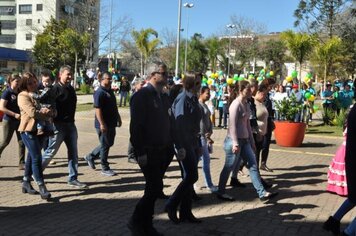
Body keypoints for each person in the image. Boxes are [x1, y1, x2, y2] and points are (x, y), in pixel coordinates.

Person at [128, 62, 174, 236]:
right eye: (164, 73)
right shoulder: (142, 96)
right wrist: (140, 152)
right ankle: (136, 221)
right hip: (148, 149)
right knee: (154, 188)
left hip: (162, 149)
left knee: (153, 188)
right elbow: (136, 127)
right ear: (154, 75)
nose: (167, 75)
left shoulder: (162, 96)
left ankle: (145, 225)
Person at [216, 80, 278, 202]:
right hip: (234, 141)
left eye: (250, 89)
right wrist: (235, 142)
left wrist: (251, 141)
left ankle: (262, 193)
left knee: (253, 165)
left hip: (245, 141)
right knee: (228, 167)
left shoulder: (246, 103)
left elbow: (248, 125)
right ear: (240, 91)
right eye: (248, 89)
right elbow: (232, 126)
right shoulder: (236, 104)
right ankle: (221, 192)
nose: (250, 91)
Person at [165, 72, 203, 224]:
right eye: (197, 83)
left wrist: (198, 144)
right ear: (189, 84)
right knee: (192, 176)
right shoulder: (182, 99)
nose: (200, 86)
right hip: (184, 143)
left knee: (188, 177)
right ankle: (171, 204)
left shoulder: (193, 98)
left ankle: (186, 212)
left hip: (192, 141)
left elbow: (196, 125)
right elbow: (178, 126)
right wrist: (180, 147)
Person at [41, 65, 87, 189]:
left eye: (71, 74)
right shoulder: (54, 89)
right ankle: (35, 173)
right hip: (58, 125)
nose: (70, 76)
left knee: (73, 153)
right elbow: (43, 103)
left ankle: (73, 178)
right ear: (60, 75)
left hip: (71, 125)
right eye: (68, 74)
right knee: (51, 151)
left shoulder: (71, 89)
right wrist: (49, 117)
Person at [18, 72, 52, 200]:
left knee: (31, 157)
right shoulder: (22, 96)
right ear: (25, 84)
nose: (33, 84)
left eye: (34, 81)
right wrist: (45, 113)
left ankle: (26, 182)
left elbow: (49, 106)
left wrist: (51, 111)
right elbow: (32, 113)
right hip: (27, 130)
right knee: (37, 157)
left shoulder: (38, 94)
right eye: (29, 83)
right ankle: (42, 187)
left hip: (40, 131)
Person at [323, 105, 356, 235]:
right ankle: (348, 233)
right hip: (353, 158)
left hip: (352, 158)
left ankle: (333, 221)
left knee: (353, 198)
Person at [83, 72, 122, 176]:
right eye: (108, 79)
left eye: (110, 79)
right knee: (105, 145)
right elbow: (98, 110)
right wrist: (102, 124)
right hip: (103, 124)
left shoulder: (110, 91)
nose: (110, 81)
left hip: (112, 122)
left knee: (109, 143)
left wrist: (118, 117)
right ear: (102, 79)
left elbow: (114, 106)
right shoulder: (99, 92)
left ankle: (90, 156)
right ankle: (105, 167)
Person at [0, 74, 25, 169]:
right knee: (5, 142)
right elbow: (2, 107)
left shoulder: (20, 92)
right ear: (11, 81)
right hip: (9, 121)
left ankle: (22, 163)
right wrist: (14, 114)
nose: (18, 83)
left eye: (19, 81)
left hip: (19, 121)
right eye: (16, 81)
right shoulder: (7, 92)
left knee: (22, 142)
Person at [198, 86, 217, 192]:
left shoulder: (204, 104)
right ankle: (209, 184)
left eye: (209, 93)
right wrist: (205, 134)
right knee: (205, 160)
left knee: (200, 160)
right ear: (201, 93)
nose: (209, 95)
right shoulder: (199, 105)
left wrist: (209, 133)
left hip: (205, 136)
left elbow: (208, 120)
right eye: (207, 93)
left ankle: (191, 183)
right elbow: (200, 122)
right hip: (201, 137)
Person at [30, 71, 57, 136]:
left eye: (47, 81)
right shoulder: (52, 88)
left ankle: (40, 129)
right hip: (51, 106)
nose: (45, 83)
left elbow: (39, 97)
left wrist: (32, 94)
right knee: (48, 119)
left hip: (46, 106)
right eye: (43, 81)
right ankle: (50, 130)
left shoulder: (47, 89)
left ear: (52, 81)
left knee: (41, 116)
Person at [327, 126, 348, 196]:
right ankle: (341, 189)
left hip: (345, 149)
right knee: (343, 168)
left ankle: (340, 188)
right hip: (346, 149)